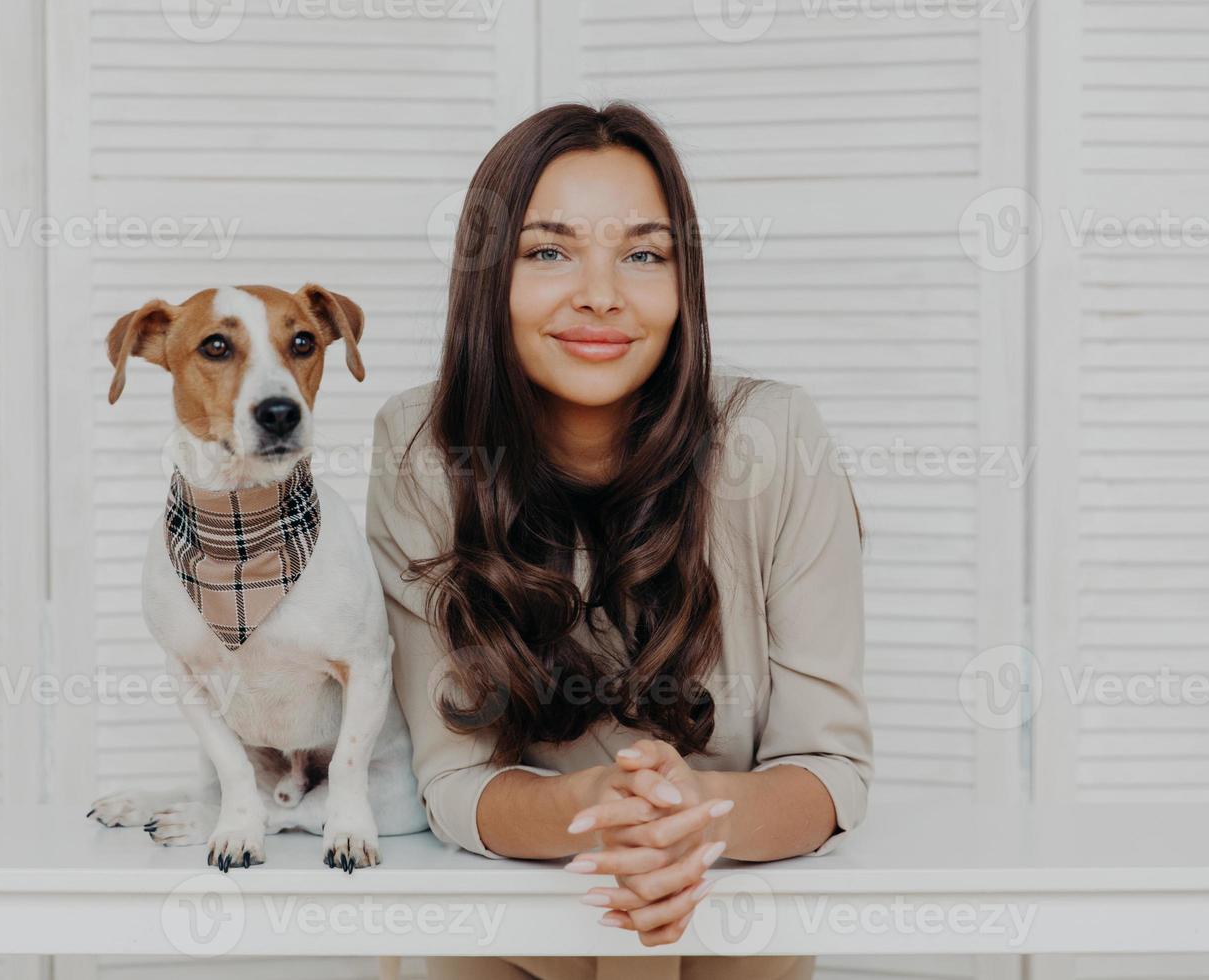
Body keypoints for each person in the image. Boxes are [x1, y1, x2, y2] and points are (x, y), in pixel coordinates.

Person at [364, 100, 873, 980]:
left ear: (685, 286)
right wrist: (593, 808)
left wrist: (696, 812)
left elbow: (830, 772)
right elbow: (453, 785)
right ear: (489, 277)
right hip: (512, 938)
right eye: (549, 251)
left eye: (643, 254)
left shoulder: (777, 438)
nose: (600, 293)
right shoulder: (423, 450)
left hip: (729, 935)